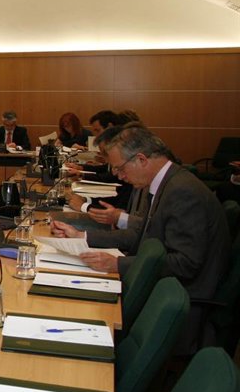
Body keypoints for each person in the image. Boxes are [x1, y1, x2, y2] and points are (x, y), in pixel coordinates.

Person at [51, 126, 229, 347]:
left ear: (141, 159)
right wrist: (81, 236)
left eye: (120, 168)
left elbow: (185, 264)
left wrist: (118, 264)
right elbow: (139, 235)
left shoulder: (182, 192)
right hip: (161, 286)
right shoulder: (166, 183)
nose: (118, 176)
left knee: (79, 313)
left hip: (179, 300)